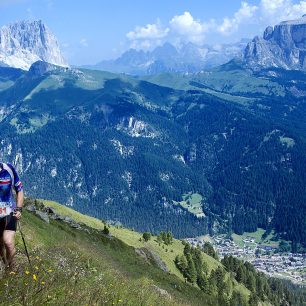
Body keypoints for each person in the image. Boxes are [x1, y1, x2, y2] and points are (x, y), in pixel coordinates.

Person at [0, 162, 24, 271]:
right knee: (0, 247)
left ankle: (13, 271)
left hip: (9, 210)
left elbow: (19, 189)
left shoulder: (8, 169)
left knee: (8, 242)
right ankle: (5, 266)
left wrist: (19, 209)